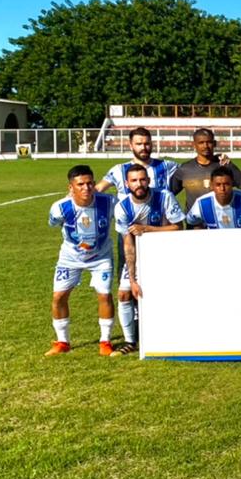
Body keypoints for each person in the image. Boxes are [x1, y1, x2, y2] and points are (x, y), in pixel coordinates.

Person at [113, 163, 184, 354]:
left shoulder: (164, 197)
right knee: (124, 293)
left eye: (142, 179)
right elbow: (128, 244)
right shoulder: (122, 207)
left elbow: (179, 227)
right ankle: (130, 341)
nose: (139, 184)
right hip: (138, 255)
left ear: (149, 181)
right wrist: (133, 278)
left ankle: (172, 334)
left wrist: (147, 229)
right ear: (127, 184)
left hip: (165, 254)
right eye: (134, 181)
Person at [47, 165, 117, 357]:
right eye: (80, 184)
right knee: (59, 297)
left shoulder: (109, 202)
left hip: (101, 257)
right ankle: (62, 341)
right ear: (71, 188)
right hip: (70, 258)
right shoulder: (60, 207)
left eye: (89, 183)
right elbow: (54, 223)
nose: (86, 188)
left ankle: (105, 341)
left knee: (104, 295)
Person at [96, 126, 177, 200]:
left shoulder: (166, 165)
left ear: (151, 144)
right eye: (139, 144)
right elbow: (98, 189)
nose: (143, 147)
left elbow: (187, 172)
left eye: (147, 144)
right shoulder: (119, 170)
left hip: (160, 215)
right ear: (131, 146)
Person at [171, 127, 241, 210]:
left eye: (209, 142)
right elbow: (169, 194)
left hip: (221, 219)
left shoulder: (224, 165)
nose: (205, 146)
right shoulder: (185, 169)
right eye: (201, 143)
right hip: (195, 221)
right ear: (194, 145)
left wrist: (230, 166)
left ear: (215, 143)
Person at [186, 165, 241, 229]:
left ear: (232, 183)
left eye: (226, 184)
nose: (222, 189)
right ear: (211, 186)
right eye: (218, 185)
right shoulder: (201, 204)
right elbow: (192, 222)